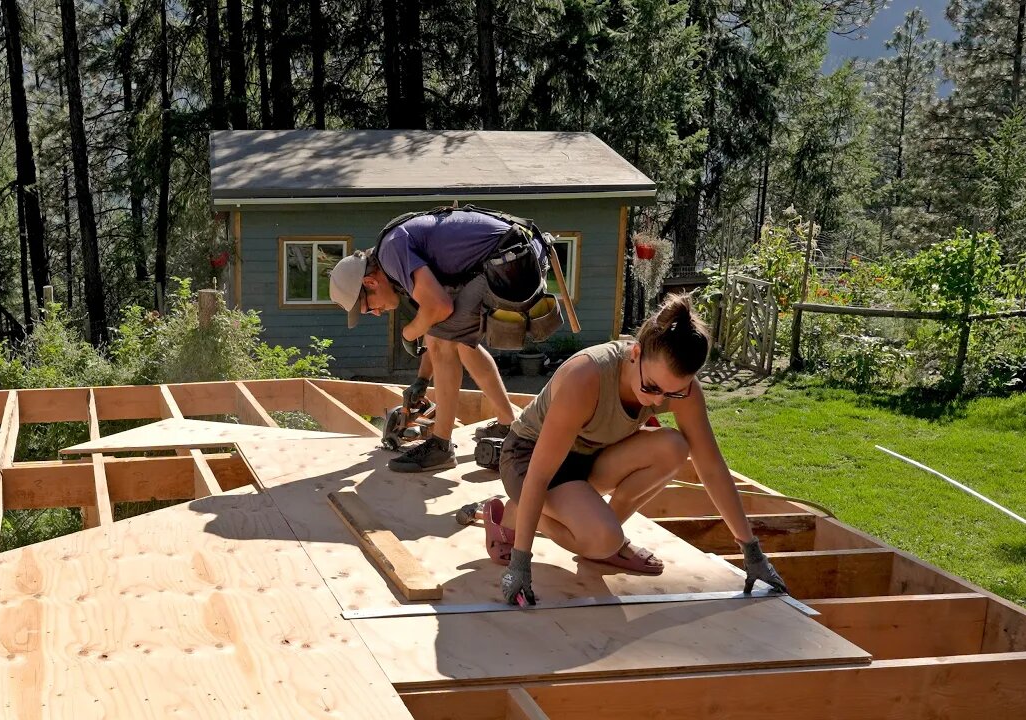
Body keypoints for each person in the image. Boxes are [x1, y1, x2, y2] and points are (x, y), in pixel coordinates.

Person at [484, 294, 789, 605]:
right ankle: (523, 513)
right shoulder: (587, 376)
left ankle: (603, 539)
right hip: (528, 459)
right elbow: (539, 473)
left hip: (588, 458)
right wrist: (520, 564)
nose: (659, 401)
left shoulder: (681, 391)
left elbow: (710, 465)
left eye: (674, 392)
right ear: (636, 353)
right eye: (652, 387)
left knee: (673, 447)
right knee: (603, 538)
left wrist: (751, 551)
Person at [330, 207, 546, 473]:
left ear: (370, 282)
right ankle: (507, 424)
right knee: (459, 342)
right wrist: (421, 380)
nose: (376, 313)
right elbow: (434, 327)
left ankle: (440, 446)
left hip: (511, 259)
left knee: (447, 340)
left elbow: (439, 310)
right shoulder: (397, 259)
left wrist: (408, 333)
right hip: (515, 255)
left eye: (369, 307)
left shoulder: (392, 252)